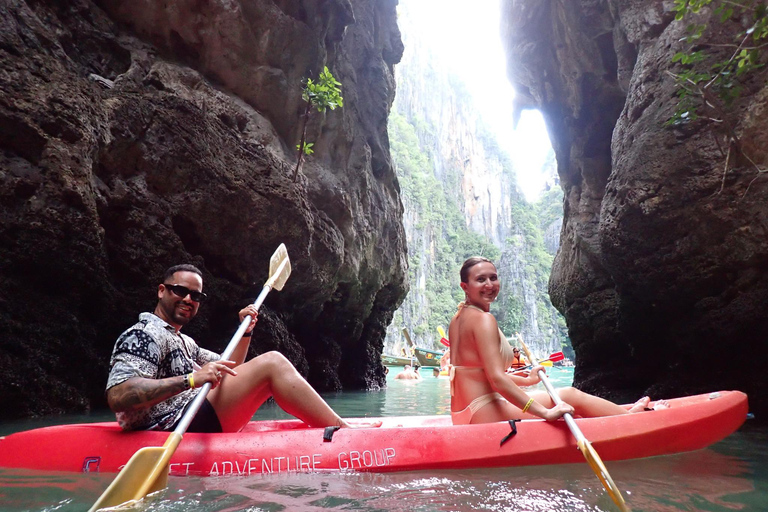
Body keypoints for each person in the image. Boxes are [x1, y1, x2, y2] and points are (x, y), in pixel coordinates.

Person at [106, 264, 370, 433]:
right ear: (162, 291)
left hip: (193, 414)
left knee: (260, 370)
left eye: (196, 296)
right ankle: (342, 430)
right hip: (171, 425)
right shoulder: (143, 334)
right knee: (272, 363)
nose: (188, 299)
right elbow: (118, 396)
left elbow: (230, 368)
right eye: (180, 291)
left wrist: (245, 332)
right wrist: (190, 379)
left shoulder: (184, 341)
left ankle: (333, 424)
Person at [448, 256, 669, 425]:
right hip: (482, 412)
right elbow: (496, 379)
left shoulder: (458, 319)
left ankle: (621, 415)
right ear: (465, 287)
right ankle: (633, 421)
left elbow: (478, 373)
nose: (489, 284)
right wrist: (545, 413)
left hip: (463, 413)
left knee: (570, 406)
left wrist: (527, 380)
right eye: (480, 279)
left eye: (493, 277)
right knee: (570, 395)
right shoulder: (484, 320)